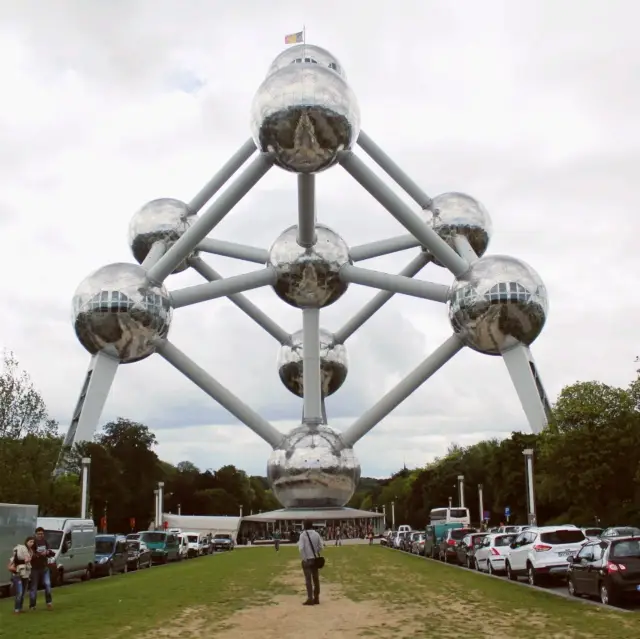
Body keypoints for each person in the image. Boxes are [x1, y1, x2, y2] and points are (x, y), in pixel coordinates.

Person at [29, 527, 54, 611]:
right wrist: (39, 554)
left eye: (42, 534)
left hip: (44, 567)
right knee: (34, 587)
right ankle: (32, 605)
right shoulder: (33, 543)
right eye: (39, 534)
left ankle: (49, 602)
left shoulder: (45, 542)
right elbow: (31, 555)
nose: (40, 535)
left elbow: (51, 552)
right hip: (35, 568)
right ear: (35, 534)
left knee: (47, 584)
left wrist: (48, 552)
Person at [7, 536, 35, 614]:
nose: (31, 544)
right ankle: (16, 609)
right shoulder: (19, 551)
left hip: (26, 574)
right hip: (17, 575)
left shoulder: (30, 552)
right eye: (30, 542)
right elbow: (11, 564)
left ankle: (20, 608)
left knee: (23, 592)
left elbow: (28, 562)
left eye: (33, 542)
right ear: (26, 542)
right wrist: (16, 568)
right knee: (19, 592)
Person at [298, 520, 322, 606]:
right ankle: (316, 598)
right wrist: (316, 552)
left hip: (307, 559)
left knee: (308, 580)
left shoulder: (303, 535)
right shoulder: (316, 534)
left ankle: (310, 598)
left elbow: (301, 548)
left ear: (304, 525)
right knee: (316, 579)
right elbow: (321, 546)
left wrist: (304, 558)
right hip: (314, 559)